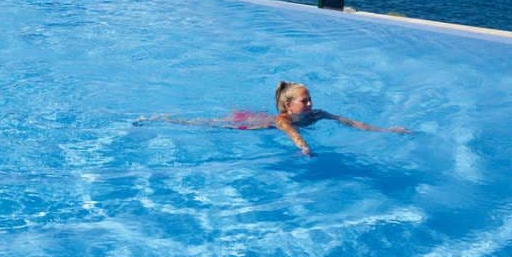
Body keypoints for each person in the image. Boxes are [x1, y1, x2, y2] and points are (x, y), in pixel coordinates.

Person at [137, 81, 410, 158]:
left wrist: (386, 130)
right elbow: (293, 134)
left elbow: (350, 122)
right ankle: (164, 119)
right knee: (210, 124)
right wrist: (304, 147)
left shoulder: (317, 114)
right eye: (304, 101)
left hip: (259, 118)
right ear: (288, 105)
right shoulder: (282, 120)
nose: (310, 104)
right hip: (249, 124)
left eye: (310, 98)